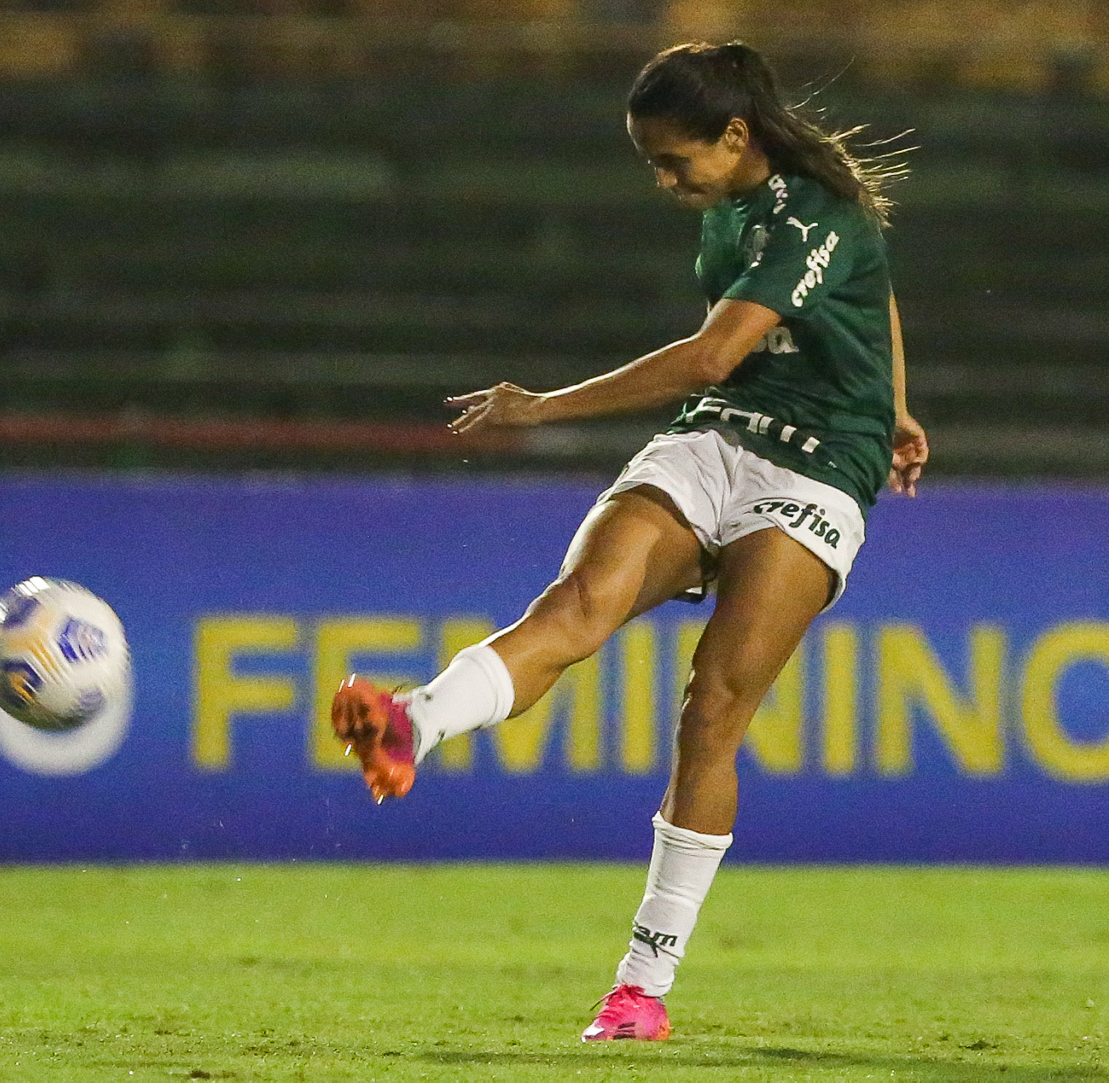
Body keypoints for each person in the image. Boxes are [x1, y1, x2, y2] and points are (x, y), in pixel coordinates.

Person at [331, 40, 929, 1043]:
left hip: (818, 466)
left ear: (733, 134)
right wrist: (902, 402)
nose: (663, 181)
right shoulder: (736, 204)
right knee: (573, 607)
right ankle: (411, 723)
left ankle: (640, 988)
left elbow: (712, 353)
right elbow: (868, 295)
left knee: (713, 709)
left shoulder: (813, 212)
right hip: (716, 436)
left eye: (671, 161)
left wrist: (541, 406)